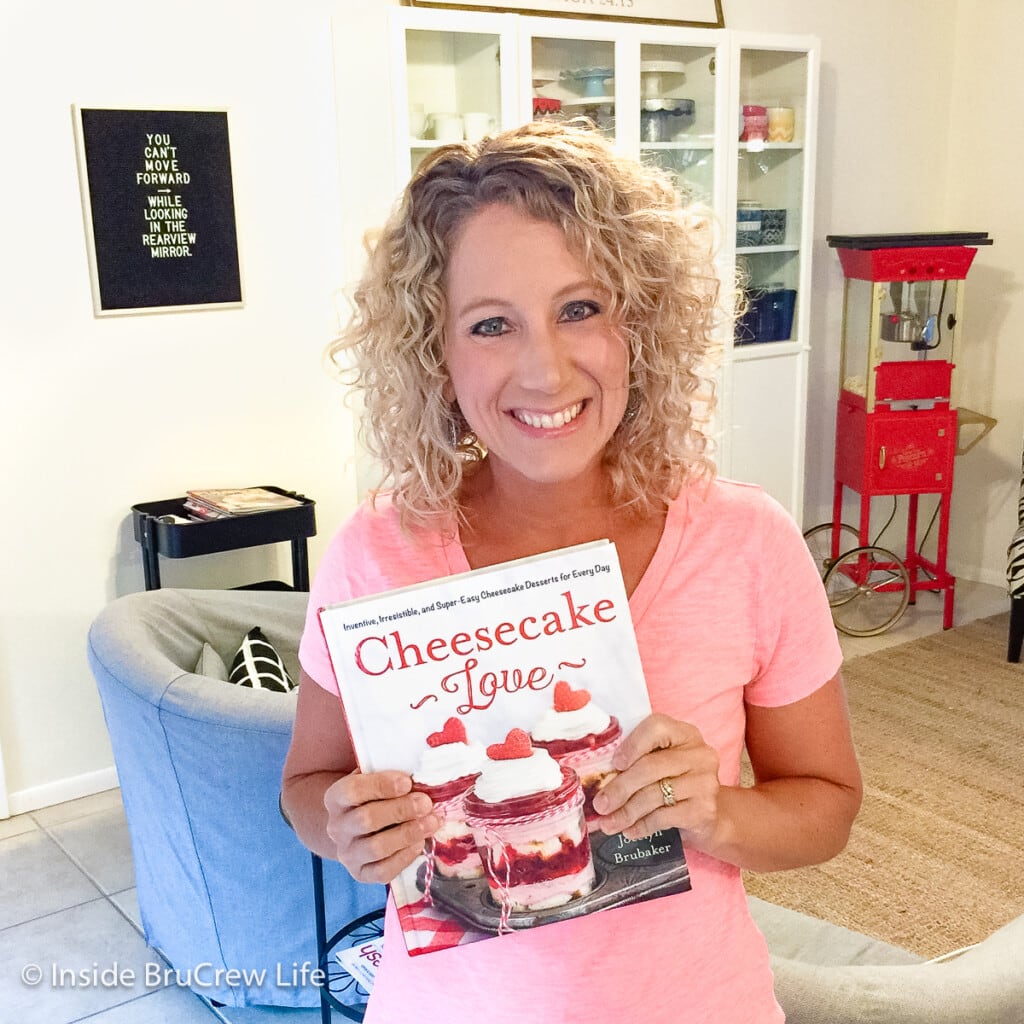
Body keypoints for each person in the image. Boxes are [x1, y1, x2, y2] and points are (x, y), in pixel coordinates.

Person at [281, 121, 862, 1023]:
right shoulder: (378, 549)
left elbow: (826, 809)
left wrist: (716, 813)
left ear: (644, 319)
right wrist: (346, 829)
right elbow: (305, 789)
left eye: (581, 308)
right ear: (437, 355)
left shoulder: (745, 540)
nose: (545, 369)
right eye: (490, 324)